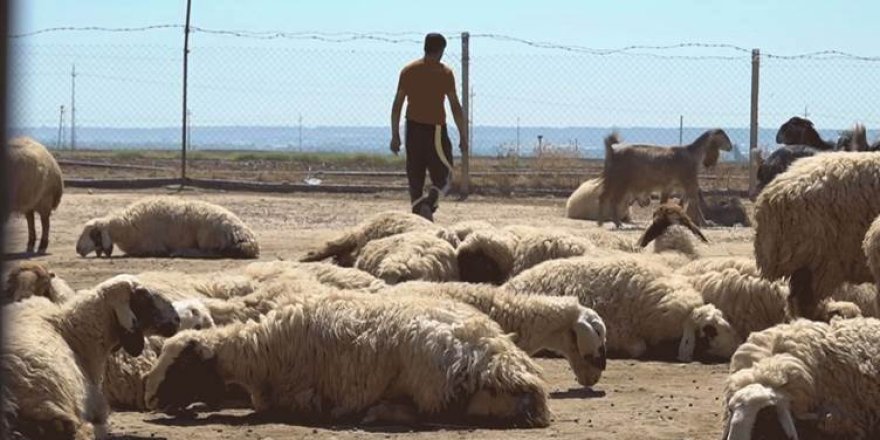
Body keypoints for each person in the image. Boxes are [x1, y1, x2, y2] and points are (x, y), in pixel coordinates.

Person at [390, 32, 467, 221]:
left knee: (415, 176)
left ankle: (418, 214)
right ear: (441, 50)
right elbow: (455, 106)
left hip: (412, 129)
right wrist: (463, 135)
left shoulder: (408, 71)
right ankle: (429, 203)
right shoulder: (444, 73)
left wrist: (395, 135)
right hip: (435, 131)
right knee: (446, 175)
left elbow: (397, 104)